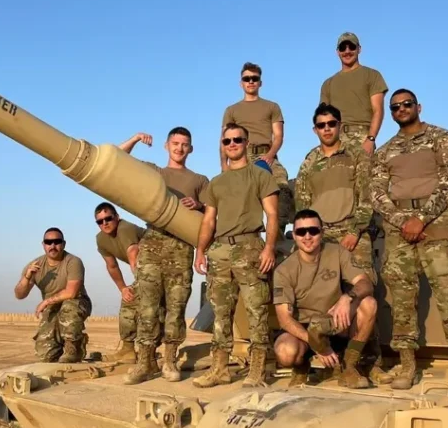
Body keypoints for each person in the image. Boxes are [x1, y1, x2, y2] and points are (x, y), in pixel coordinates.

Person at [370, 88, 448, 390]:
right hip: (399, 228)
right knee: (401, 298)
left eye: (406, 104)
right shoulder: (385, 151)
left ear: (418, 106)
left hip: (436, 224)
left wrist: (421, 218)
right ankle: (407, 365)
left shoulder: (442, 138)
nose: (401, 109)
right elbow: (375, 192)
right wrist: (403, 221)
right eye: (395, 106)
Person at [295, 102, 386, 382]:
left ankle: (369, 360)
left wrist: (356, 230)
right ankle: (326, 355)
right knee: (323, 292)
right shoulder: (310, 161)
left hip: (351, 232)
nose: (326, 129)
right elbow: (302, 199)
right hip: (321, 235)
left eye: (331, 124)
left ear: (339, 126)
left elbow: (366, 195)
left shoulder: (356, 155)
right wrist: (312, 233)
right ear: (315, 129)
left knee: (364, 292)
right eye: (321, 125)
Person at [118, 127, 210, 384]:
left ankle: (169, 360)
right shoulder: (156, 172)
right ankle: (145, 362)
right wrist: (135, 138)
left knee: (176, 307)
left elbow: (212, 215)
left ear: (190, 149)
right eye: (176, 143)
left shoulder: (200, 180)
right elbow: (119, 159)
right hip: (153, 243)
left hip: (181, 247)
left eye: (185, 144)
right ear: (167, 146)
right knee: (146, 307)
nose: (180, 148)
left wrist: (199, 205)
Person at [193, 122, 279, 388]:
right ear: (223, 145)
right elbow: (208, 220)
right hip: (219, 250)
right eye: (227, 141)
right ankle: (220, 369)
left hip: (249, 245)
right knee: (221, 313)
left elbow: (273, 214)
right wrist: (200, 250)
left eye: (237, 140)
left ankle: (257, 371)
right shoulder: (216, 183)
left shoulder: (260, 176)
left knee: (256, 310)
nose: (232, 145)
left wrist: (269, 247)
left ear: (246, 143)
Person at [272, 209, 378, 388]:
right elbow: (284, 319)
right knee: (285, 352)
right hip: (304, 329)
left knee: (369, 303)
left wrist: (347, 297)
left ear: (321, 232)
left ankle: (349, 367)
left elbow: (365, 283)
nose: (307, 236)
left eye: (313, 231)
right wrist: (318, 345)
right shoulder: (284, 270)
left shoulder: (337, 253)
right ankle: (302, 367)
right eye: (301, 232)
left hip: (335, 322)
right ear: (295, 236)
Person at [221, 62, 294, 228]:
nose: (251, 81)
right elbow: (224, 139)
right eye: (247, 78)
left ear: (260, 82)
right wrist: (224, 165)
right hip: (241, 156)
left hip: (266, 155)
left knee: (281, 187)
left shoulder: (272, 106)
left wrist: (269, 156)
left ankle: (278, 236)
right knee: (236, 197)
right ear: (241, 83)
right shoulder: (231, 110)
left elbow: (279, 136)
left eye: (254, 78)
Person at [14, 227, 92, 363]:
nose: (53, 246)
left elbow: (71, 292)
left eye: (57, 242)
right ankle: (62, 346)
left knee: (69, 306)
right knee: (46, 355)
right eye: (48, 242)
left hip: (77, 302)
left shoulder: (73, 262)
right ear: (43, 245)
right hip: (53, 307)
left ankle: (74, 346)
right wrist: (27, 278)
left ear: (63, 244)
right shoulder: (35, 265)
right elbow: (20, 295)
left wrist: (45, 302)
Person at [93, 202, 148, 364]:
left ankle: (148, 351)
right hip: (144, 269)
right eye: (100, 221)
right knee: (129, 299)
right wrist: (123, 288)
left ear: (117, 217)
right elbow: (112, 265)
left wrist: (139, 282)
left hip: (161, 262)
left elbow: (133, 251)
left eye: (108, 218)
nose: (105, 224)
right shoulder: (101, 239)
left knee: (150, 305)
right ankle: (128, 350)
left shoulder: (125, 229)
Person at [319, 32, 388, 154]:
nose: (347, 51)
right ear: (337, 52)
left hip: (361, 136)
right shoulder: (328, 83)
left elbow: (378, 110)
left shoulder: (372, 75)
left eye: (351, 47)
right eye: (342, 48)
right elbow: (323, 117)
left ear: (359, 49)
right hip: (335, 137)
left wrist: (370, 139)